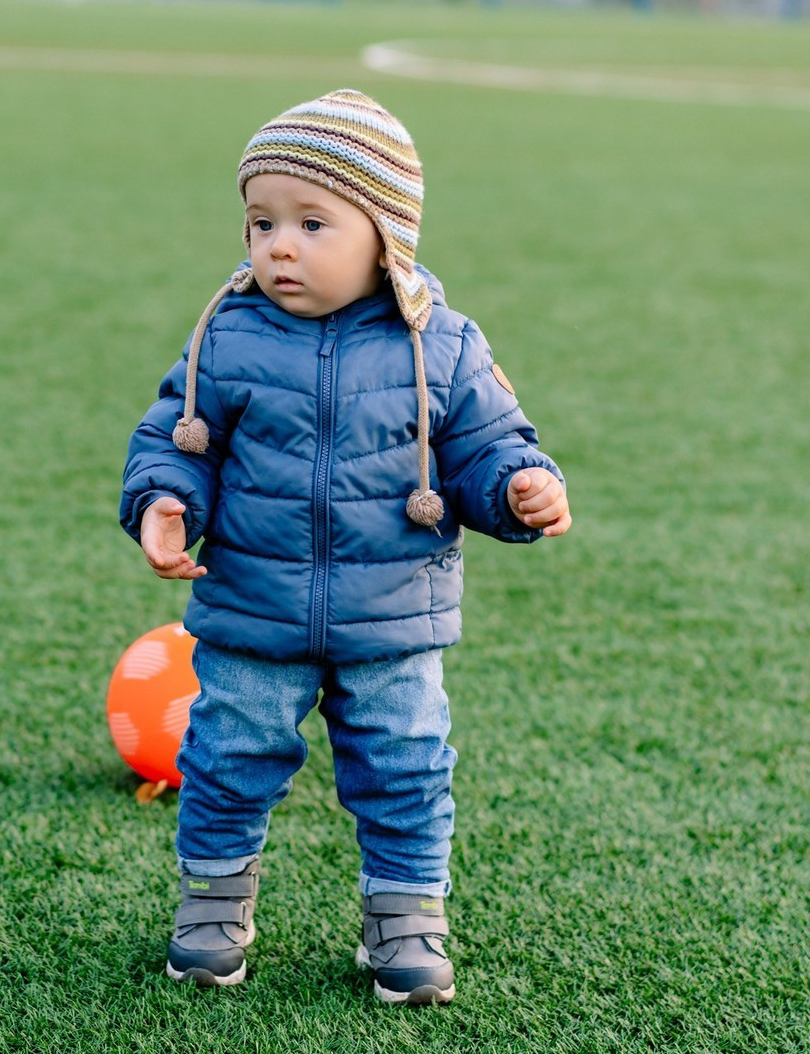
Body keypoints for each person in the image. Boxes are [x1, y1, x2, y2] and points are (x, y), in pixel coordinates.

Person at [120, 89, 571, 1006]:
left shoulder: (440, 346)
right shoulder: (231, 335)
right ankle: (213, 907)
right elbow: (178, 433)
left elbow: (490, 447)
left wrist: (520, 489)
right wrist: (164, 500)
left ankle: (404, 919)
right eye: (261, 222)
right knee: (226, 757)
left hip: (394, 620)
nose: (278, 244)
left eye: (312, 222)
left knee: (406, 767)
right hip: (253, 611)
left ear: (385, 235)